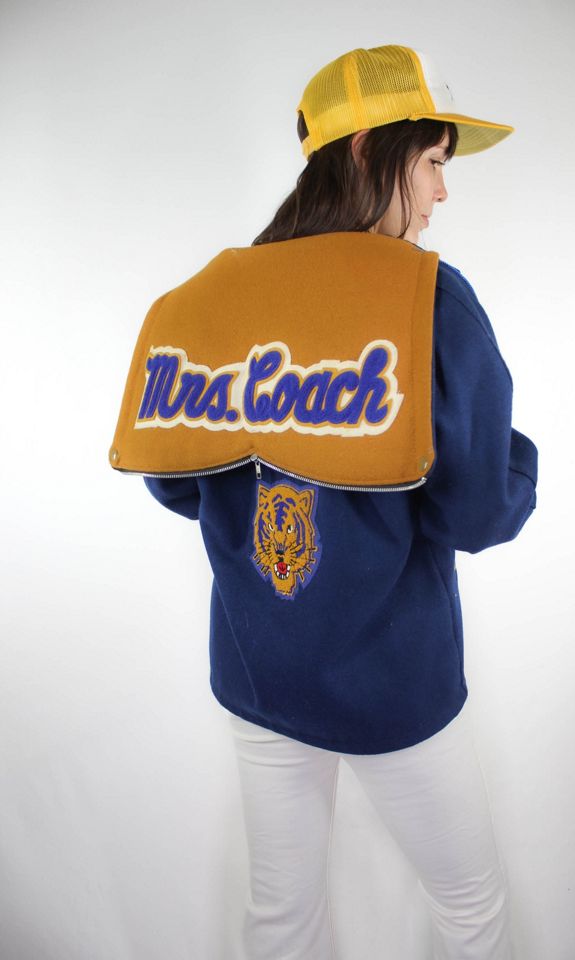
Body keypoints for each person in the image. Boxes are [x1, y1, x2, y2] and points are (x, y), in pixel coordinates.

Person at [110, 44, 538, 960]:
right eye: (433, 162)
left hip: (257, 672)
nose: (442, 192)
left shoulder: (204, 298)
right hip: (394, 681)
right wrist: (519, 461)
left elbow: (174, 476)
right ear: (367, 150)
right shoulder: (427, 298)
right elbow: (477, 513)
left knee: (282, 918)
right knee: (470, 908)